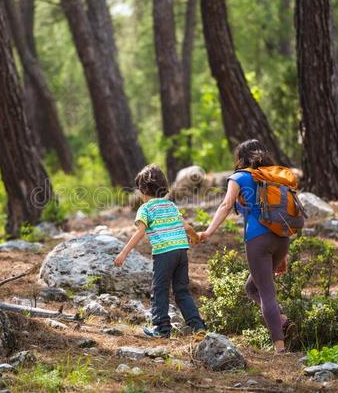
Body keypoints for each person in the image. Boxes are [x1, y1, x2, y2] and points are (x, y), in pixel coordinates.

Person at [198, 139, 291, 353]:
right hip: (282, 239)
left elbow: (225, 205)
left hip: (258, 241)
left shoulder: (239, 177)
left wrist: (208, 231)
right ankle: (281, 319)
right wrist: (283, 255)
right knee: (252, 287)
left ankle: (280, 348)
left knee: (266, 292)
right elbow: (281, 211)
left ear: (241, 158)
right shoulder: (274, 177)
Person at [114, 164, 206, 338]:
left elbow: (139, 232)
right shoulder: (170, 205)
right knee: (182, 291)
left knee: (160, 290)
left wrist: (123, 253)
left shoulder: (146, 209)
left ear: (143, 190)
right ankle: (197, 326)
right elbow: (185, 225)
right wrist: (194, 236)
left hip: (164, 253)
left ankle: (161, 328)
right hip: (181, 251)